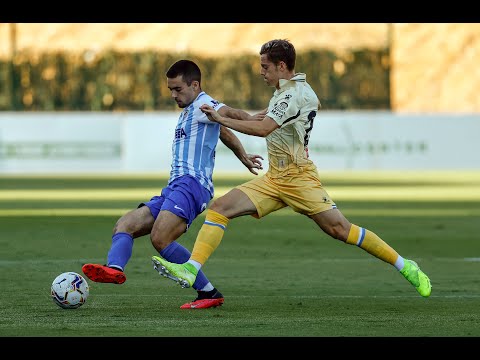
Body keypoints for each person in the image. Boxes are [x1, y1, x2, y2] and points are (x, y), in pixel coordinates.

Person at [151, 39, 432, 298]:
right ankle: (191, 268)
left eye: (265, 67)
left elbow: (263, 129)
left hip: (299, 177)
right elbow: (265, 121)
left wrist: (219, 118)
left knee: (340, 230)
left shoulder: (295, 94)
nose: (261, 72)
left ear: (281, 66)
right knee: (219, 208)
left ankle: (405, 265)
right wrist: (241, 134)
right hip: (275, 177)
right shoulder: (282, 93)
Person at [82, 59, 264, 309]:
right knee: (125, 224)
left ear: (195, 85)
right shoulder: (192, 112)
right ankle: (114, 269)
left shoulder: (203, 103)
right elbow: (223, 131)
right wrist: (242, 155)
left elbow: (229, 114)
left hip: (192, 186)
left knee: (161, 238)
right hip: (174, 188)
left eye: (178, 89)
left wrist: (253, 119)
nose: (173, 95)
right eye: (170, 90)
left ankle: (207, 291)